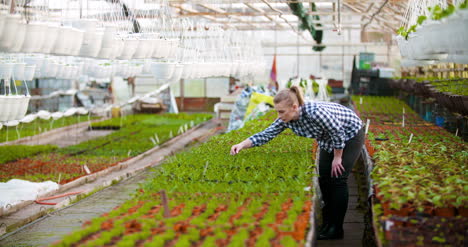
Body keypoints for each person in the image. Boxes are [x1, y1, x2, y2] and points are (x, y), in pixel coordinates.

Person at [230, 86, 364, 240]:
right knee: (325, 180)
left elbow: (337, 132)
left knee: (338, 179)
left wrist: (338, 157)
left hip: (350, 135)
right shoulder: (287, 118)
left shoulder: (315, 113)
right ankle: (327, 224)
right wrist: (241, 145)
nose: (279, 116)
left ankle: (336, 228)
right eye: (277, 111)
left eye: (281, 111)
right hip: (328, 140)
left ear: (294, 107)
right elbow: (266, 134)